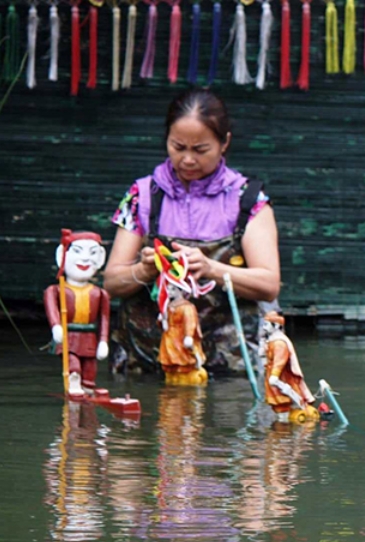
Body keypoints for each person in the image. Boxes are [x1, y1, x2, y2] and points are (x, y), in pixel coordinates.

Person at [103, 88, 280, 375]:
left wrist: (211, 268)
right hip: (146, 363)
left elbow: (269, 284)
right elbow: (111, 283)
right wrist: (145, 270)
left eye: (200, 150)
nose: (187, 159)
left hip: (229, 369)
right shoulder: (142, 195)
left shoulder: (249, 200)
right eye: (177, 147)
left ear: (224, 143)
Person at [44, 230, 111, 397]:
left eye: (92, 253)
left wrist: (103, 341)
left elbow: (104, 319)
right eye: (78, 251)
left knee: (90, 369)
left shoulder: (100, 294)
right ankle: (74, 389)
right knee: (73, 367)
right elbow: (53, 311)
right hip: (69, 337)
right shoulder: (55, 290)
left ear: (100, 258)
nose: (85, 258)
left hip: (89, 338)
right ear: (62, 255)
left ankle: (88, 392)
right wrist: (56, 327)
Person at [261, 311, 319, 425]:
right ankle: (283, 424)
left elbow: (280, 361)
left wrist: (275, 375)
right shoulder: (271, 341)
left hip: (280, 376)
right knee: (279, 405)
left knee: (282, 403)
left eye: (267, 324)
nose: (264, 327)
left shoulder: (279, 343)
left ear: (276, 326)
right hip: (272, 374)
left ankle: (285, 426)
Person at [158, 277, 208, 385]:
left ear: (180, 291)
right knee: (170, 365)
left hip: (180, 337)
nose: (169, 292)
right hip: (169, 338)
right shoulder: (168, 306)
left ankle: (195, 364)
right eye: (168, 289)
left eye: (173, 289)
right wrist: (162, 319)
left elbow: (190, 322)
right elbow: (163, 324)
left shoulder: (187, 307)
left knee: (185, 361)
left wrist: (189, 336)